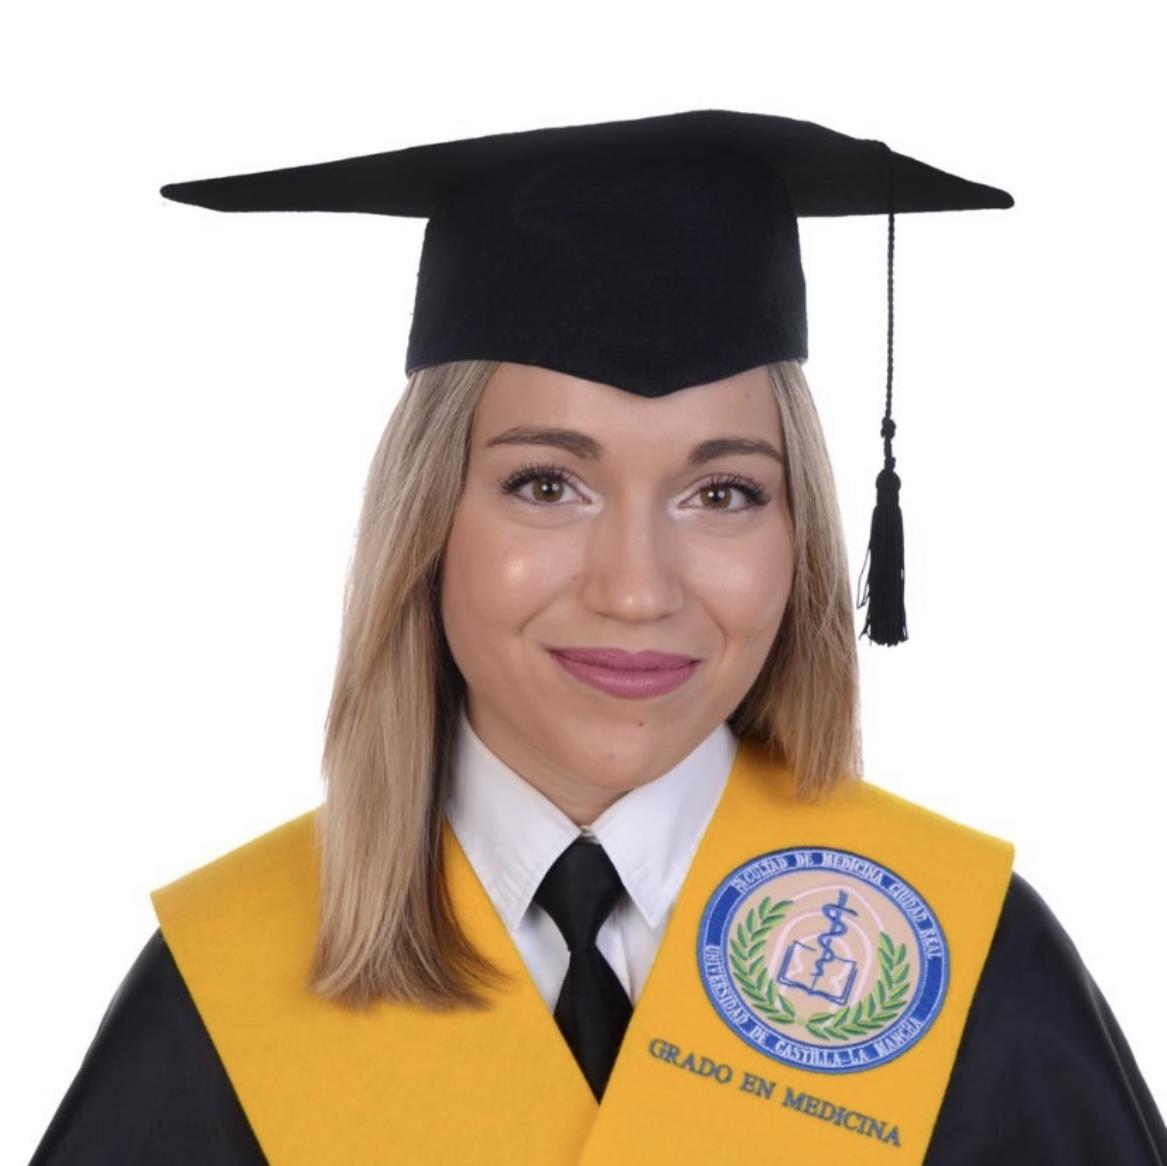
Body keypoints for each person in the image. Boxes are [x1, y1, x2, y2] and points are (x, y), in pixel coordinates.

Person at [29, 111, 1167, 1165]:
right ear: (430, 519)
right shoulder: (229, 985)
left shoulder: (965, 967)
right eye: (547, 482)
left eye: (722, 493)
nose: (636, 589)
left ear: (804, 536)